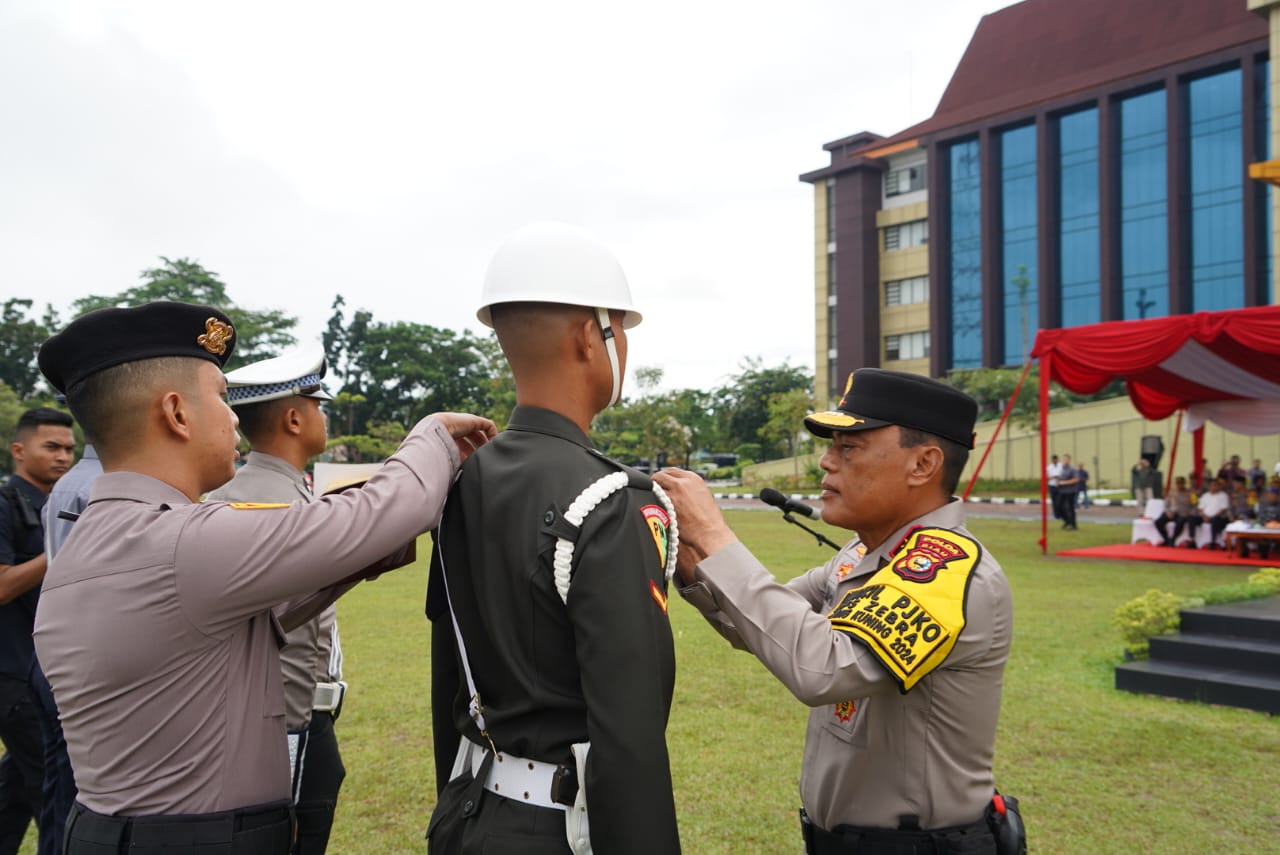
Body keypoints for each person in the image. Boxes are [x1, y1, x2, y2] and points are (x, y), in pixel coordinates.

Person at [32, 301, 495, 854]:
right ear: (177, 413)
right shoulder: (183, 544)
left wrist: (359, 557)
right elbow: (378, 514)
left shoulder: (99, 538)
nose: (234, 419)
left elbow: (246, 619)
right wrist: (433, 435)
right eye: (222, 398)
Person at [655, 368, 1019, 855]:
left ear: (923, 464)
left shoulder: (944, 571)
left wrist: (716, 535)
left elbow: (823, 669)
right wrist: (691, 557)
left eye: (849, 448)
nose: (826, 462)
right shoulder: (863, 556)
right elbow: (756, 627)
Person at [426, 222, 681, 854]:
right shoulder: (614, 498)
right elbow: (629, 736)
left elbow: (449, 677)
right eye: (620, 328)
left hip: (469, 814)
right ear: (587, 338)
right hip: (558, 831)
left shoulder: (462, 476)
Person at [205, 347, 348, 854]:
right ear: (293, 418)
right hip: (287, 727)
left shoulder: (242, 493)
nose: (323, 416)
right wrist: (288, 757)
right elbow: (291, 642)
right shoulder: (279, 505)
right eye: (317, 405)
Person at [0, 408, 74, 855]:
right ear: (18, 450)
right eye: (52, 447)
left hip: (47, 666)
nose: (63, 456)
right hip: (13, 673)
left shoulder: (54, 506)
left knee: (18, 787)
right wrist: (60, 549)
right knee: (56, 791)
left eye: (68, 447)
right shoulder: (6, 505)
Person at [35, 436, 101, 855]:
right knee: (74, 792)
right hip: (87, 655)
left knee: (63, 787)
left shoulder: (76, 481)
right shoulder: (98, 486)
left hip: (65, 648)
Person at [1189, 478, 1230, 549]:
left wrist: (1212, 517)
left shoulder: (1223, 495)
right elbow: (1200, 508)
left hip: (1217, 517)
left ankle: (1213, 542)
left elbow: (1223, 509)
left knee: (1215, 521)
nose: (1213, 487)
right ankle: (1192, 540)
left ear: (1219, 486)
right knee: (1191, 519)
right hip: (1204, 517)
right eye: (1211, 485)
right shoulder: (1205, 495)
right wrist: (1203, 516)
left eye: (1215, 485)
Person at [1154, 477, 1195, 548]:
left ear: (1184, 484)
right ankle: (1166, 539)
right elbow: (1166, 504)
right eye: (1178, 484)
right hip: (1171, 513)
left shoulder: (1190, 493)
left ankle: (1173, 539)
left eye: (1181, 483)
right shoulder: (1172, 492)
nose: (1179, 485)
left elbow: (1195, 505)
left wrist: (1188, 513)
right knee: (1158, 522)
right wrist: (1168, 512)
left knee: (1180, 522)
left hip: (1183, 514)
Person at [1056, 454, 1079, 530]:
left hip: (1070, 491)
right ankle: (1067, 521)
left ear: (1069, 460)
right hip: (1062, 491)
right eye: (1064, 459)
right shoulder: (1061, 469)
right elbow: (1059, 478)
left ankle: (1073, 524)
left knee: (1070, 508)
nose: (1065, 461)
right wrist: (1058, 481)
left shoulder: (1073, 469)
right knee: (1058, 507)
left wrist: (1064, 482)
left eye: (1066, 459)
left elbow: (1076, 479)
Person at [1046, 454, 1062, 520]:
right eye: (1053, 459)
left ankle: (1060, 513)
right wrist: (1053, 477)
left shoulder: (1061, 466)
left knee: (1060, 500)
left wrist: (1059, 477)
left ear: (1058, 459)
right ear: (1052, 460)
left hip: (1060, 485)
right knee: (1054, 501)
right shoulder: (1049, 467)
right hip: (1052, 485)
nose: (1055, 460)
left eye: (1056, 459)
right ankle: (1056, 514)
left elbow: (1063, 475)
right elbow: (1047, 477)